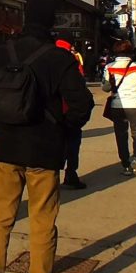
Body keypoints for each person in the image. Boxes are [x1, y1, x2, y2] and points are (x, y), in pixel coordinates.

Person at [0, 0, 94, 273]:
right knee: (42, 219)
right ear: (52, 23)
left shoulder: (1, 53)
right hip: (44, 150)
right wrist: (65, 129)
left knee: (2, 214)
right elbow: (82, 105)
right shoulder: (59, 58)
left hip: (8, 146)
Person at [102, 39, 136, 176]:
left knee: (121, 134)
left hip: (117, 104)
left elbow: (106, 87)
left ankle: (125, 165)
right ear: (130, 52)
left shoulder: (109, 66)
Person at [55, 38, 87, 189]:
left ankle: (51, 177)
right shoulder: (73, 61)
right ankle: (71, 173)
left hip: (51, 113)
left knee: (54, 145)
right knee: (73, 143)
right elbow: (80, 84)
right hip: (70, 110)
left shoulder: (45, 58)